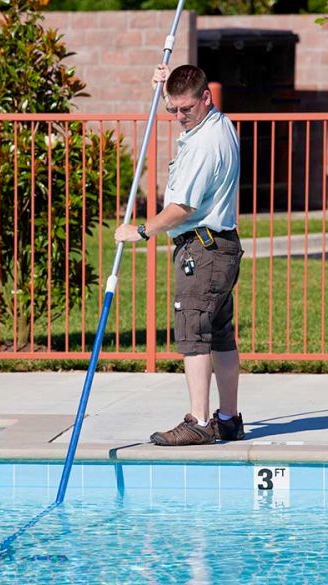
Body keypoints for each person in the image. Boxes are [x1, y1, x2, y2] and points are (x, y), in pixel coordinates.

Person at [114, 64, 244, 446]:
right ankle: (228, 418)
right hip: (220, 246)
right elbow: (187, 85)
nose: (178, 116)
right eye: (172, 109)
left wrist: (139, 231)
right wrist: (165, 82)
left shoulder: (205, 144)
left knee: (194, 334)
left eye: (185, 109)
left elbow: (181, 207)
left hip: (202, 249)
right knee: (219, 335)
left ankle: (200, 421)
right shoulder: (217, 123)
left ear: (207, 98)